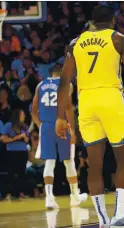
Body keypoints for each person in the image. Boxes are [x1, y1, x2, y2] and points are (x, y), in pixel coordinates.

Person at [55, 6, 124, 228]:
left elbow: (64, 82)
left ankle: (103, 221)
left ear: (92, 22)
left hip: (86, 102)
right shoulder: (119, 39)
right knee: (123, 160)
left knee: (94, 165)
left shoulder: (75, 43)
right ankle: (120, 216)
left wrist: (60, 117)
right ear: (113, 20)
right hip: (111, 99)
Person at [31, 67, 88, 209]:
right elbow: (68, 107)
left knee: (49, 162)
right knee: (69, 162)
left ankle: (49, 198)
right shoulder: (66, 84)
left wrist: (41, 126)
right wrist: (73, 131)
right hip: (62, 125)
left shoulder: (40, 85)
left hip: (46, 126)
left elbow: (33, 111)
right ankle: (75, 196)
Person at [0, 109, 29, 199]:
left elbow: (27, 140)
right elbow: (3, 139)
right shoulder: (9, 125)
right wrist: (17, 137)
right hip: (12, 152)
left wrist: (25, 138)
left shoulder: (25, 126)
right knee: (11, 173)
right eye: (22, 114)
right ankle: (10, 193)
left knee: (21, 172)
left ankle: (21, 192)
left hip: (23, 151)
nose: (24, 116)